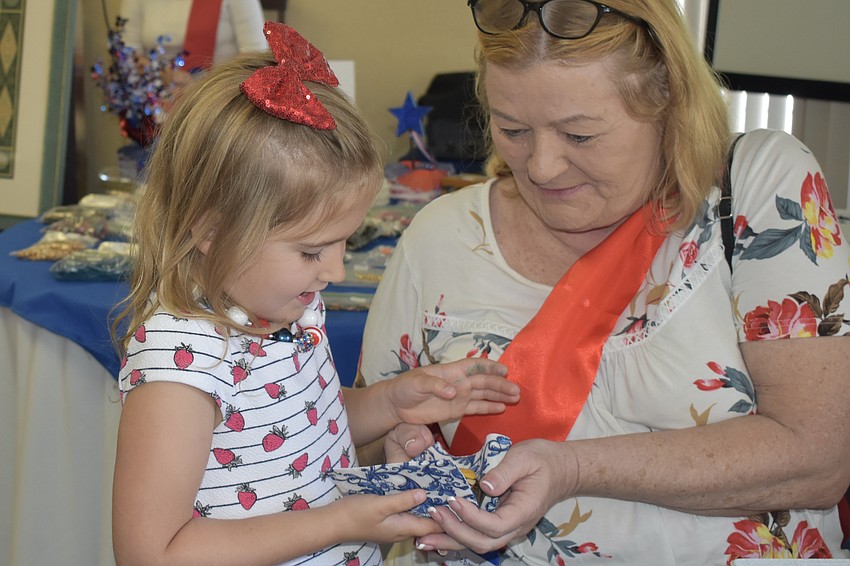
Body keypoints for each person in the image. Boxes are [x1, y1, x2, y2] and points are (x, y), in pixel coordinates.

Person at [357, 0, 850, 563]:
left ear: (667, 99)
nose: (541, 166)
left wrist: (572, 468)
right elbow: (362, 438)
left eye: (580, 135)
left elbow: (818, 459)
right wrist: (397, 452)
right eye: (513, 129)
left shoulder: (756, 190)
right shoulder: (440, 236)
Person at [111, 22, 520, 566]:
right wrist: (339, 522)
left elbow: (300, 428)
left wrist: (393, 400)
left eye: (344, 242)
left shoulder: (290, 309)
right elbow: (151, 553)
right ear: (210, 231)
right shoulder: (179, 365)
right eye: (311, 251)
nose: (334, 268)